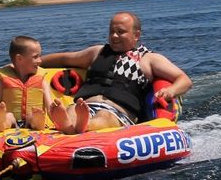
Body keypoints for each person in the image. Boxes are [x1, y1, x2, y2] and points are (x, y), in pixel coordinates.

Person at [41, 11, 192, 134]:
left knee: (104, 117)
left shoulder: (148, 59)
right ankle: (73, 125)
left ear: (136, 35)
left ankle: (78, 127)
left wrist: (171, 91)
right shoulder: (97, 52)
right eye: (112, 31)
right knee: (73, 110)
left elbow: (184, 80)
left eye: (120, 32)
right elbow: (64, 58)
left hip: (117, 113)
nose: (114, 36)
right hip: (86, 105)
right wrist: (35, 61)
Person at [0, 36, 53, 130]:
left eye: (39, 56)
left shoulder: (42, 82)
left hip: (32, 122)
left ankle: (38, 122)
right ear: (19, 59)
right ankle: (2, 123)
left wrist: (59, 121)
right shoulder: (2, 83)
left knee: (32, 116)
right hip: (12, 124)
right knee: (8, 116)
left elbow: (50, 108)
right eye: (35, 57)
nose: (40, 60)